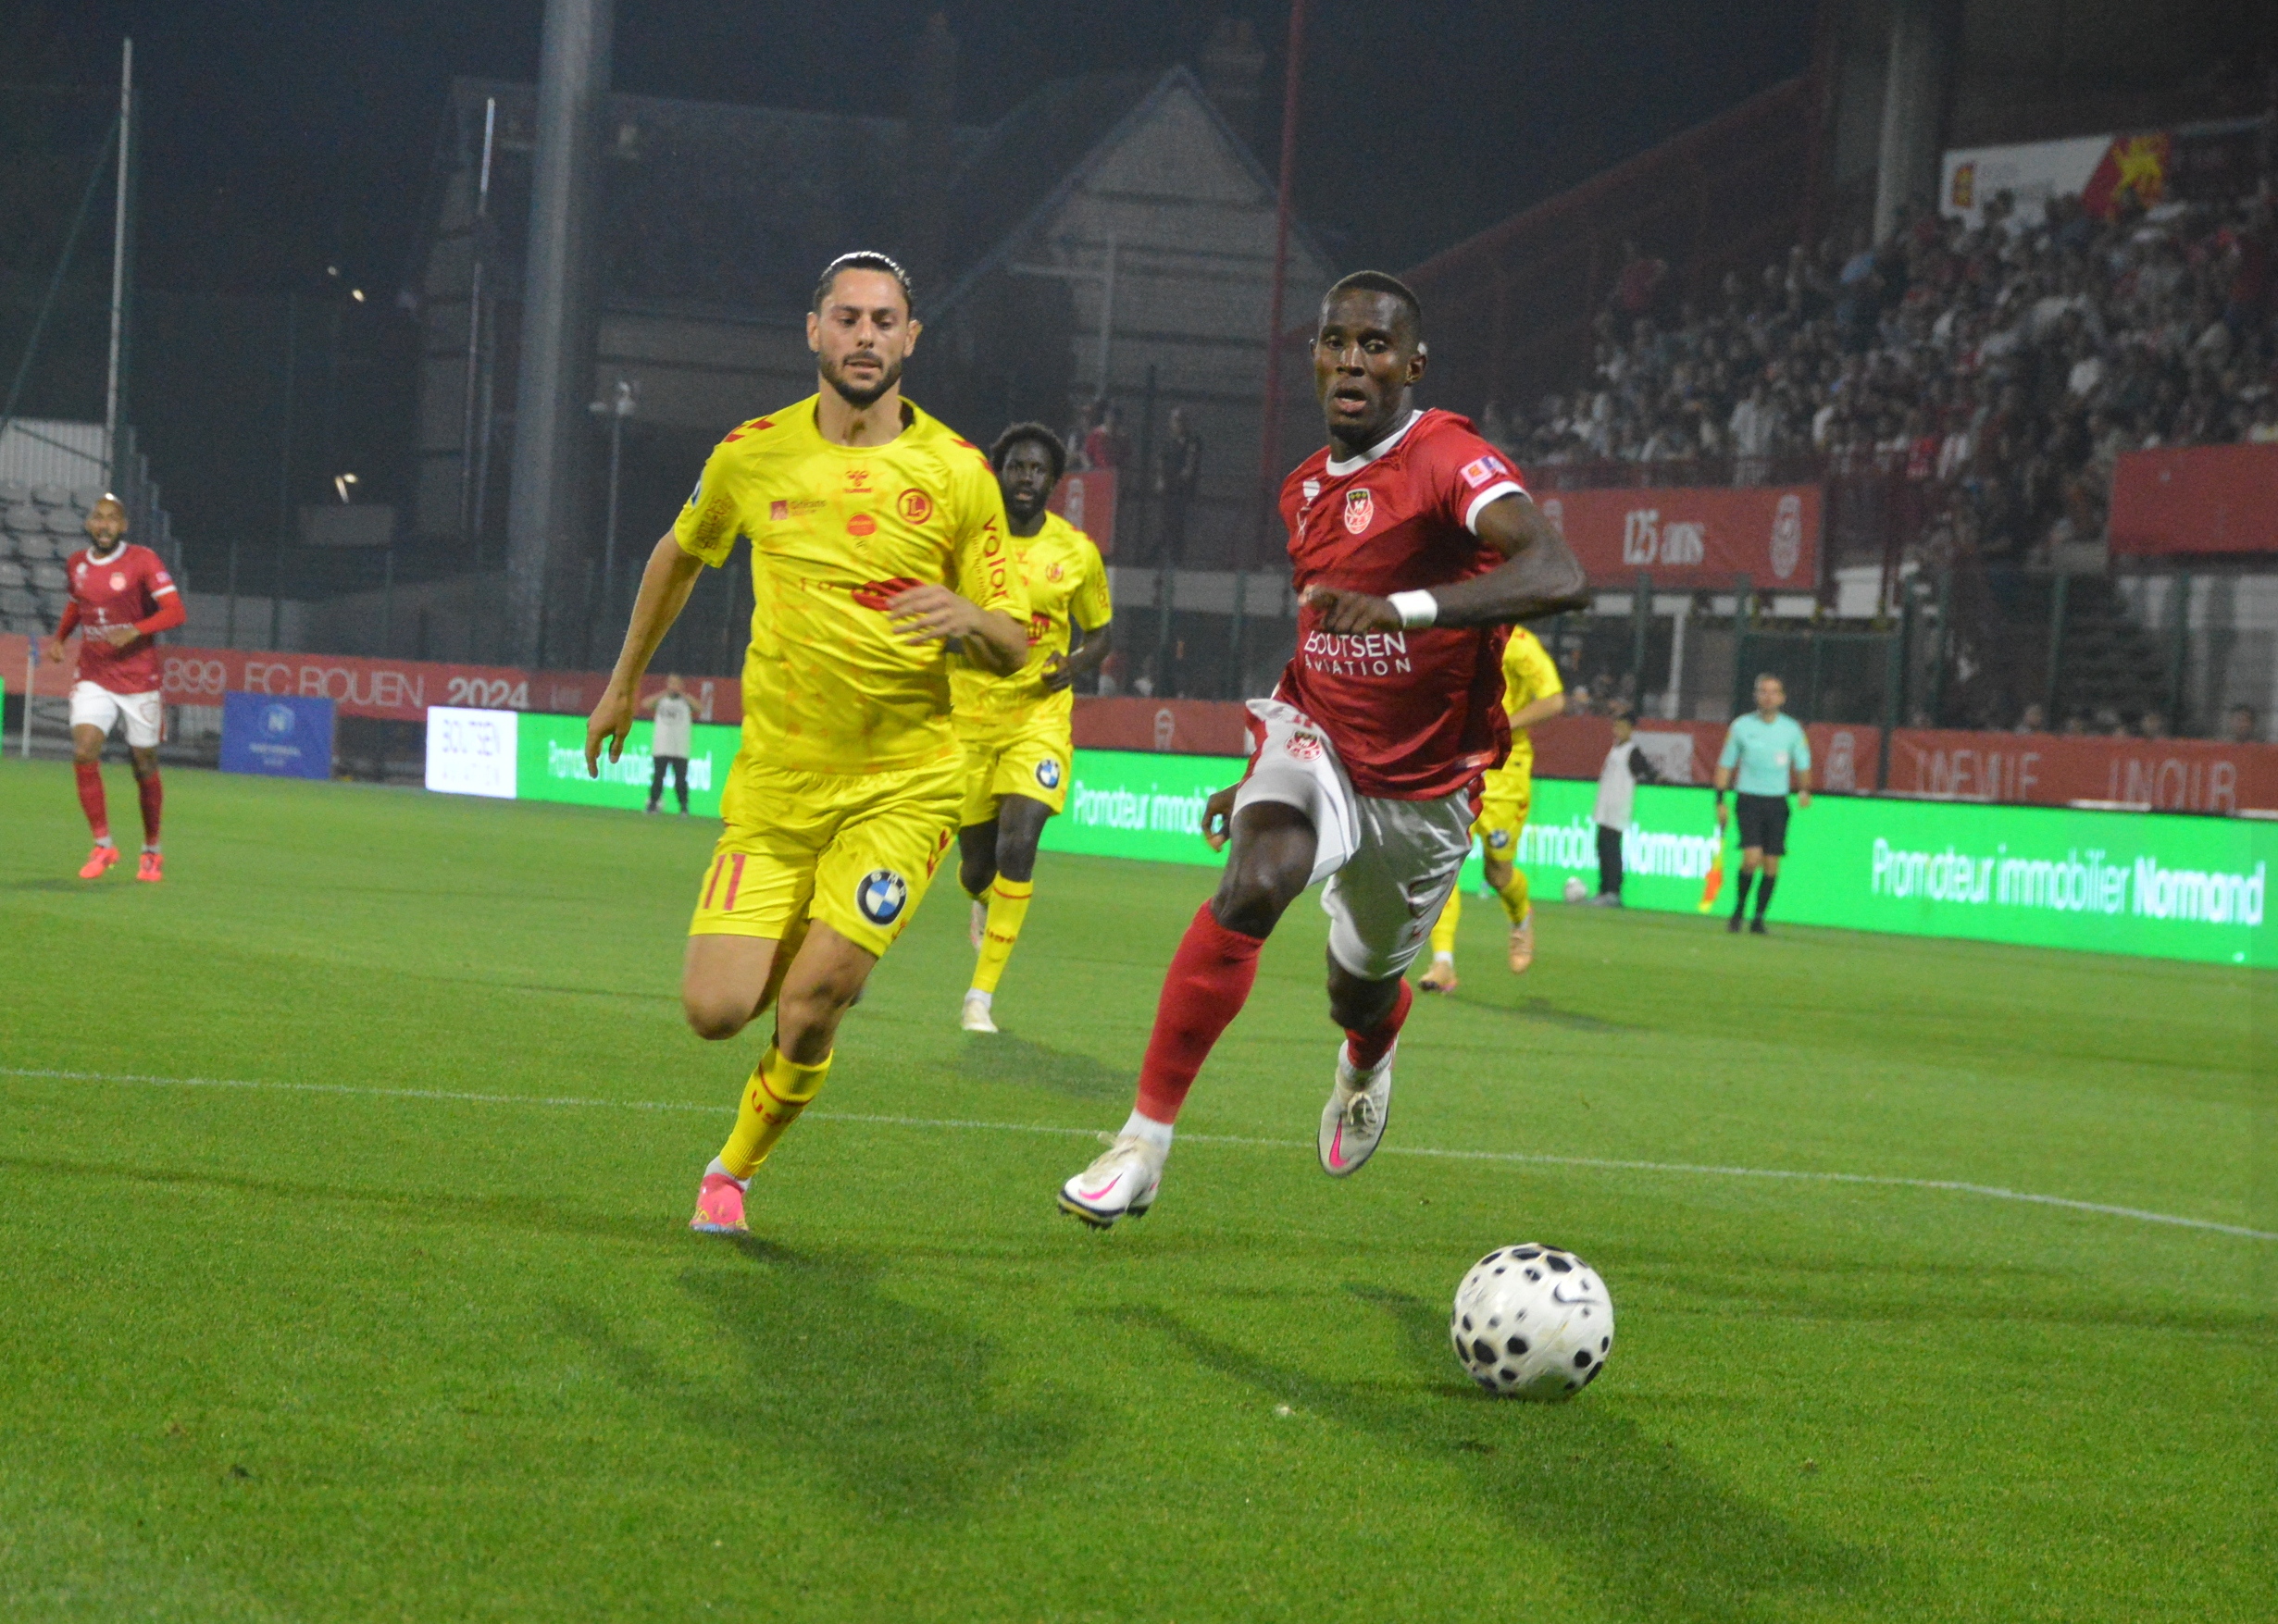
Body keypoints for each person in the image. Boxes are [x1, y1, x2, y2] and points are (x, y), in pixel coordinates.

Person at [1055, 270, 1587, 1227]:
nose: (1351, 361)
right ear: (1312, 359)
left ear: (1412, 365)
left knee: (1359, 989)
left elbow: (1558, 570)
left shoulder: (1446, 457)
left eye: (1374, 345)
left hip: (1423, 787)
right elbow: (1321, 642)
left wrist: (1406, 609)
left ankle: (1367, 1056)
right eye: (1334, 342)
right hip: (1319, 742)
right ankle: (1141, 1143)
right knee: (1255, 879)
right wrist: (1255, 772)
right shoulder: (1302, 490)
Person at [584, 252, 1027, 1236]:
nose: (866, 335)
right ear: (814, 331)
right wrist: (622, 684)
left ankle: (731, 1172)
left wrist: (968, 616)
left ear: (911, 338)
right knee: (715, 1010)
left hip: (905, 786)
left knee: (815, 999)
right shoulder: (750, 455)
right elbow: (678, 555)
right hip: (779, 787)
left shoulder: (958, 474)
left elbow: (1015, 641)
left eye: (884, 320)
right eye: (848, 317)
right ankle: (811, 974)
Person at [952, 423, 1113, 1033]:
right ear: (1000, 472)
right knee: (977, 869)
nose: (1026, 478)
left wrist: (1074, 665)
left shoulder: (1076, 551)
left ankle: (980, 997)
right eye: (1017, 467)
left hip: (1038, 719)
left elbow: (1100, 633)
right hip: (969, 719)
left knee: (1018, 843)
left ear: (1053, 481)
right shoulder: (968, 544)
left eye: (1038, 470)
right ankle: (982, 899)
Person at [42, 494, 184, 882]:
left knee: (144, 764)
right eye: (98, 518)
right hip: (94, 674)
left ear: (123, 526)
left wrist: (135, 630)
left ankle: (152, 850)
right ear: (90, 524)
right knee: (84, 749)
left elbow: (175, 611)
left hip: (138, 678)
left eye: (112, 519)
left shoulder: (143, 560)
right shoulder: (77, 563)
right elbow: (77, 603)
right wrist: (60, 638)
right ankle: (103, 845)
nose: (104, 525)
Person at [1416, 621, 1565, 992]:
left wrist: (1502, 725)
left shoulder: (1519, 643)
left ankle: (1520, 917)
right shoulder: (1454, 635)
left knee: (1498, 872)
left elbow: (1553, 700)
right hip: (1454, 762)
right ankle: (1443, 962)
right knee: (1443, 861)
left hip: (1504, 771)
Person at [1714, 674, 1811, 935]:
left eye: (1773, 692)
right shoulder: (1741, 727)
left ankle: (1758, 919)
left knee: (1771, 864)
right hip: (1749, 799)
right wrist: (1720, 800)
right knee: (1751, 859)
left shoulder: (1792, 730)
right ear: (1755, 695)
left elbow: (1803, 763)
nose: (1768, 697)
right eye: (1763, 691)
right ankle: (1739, 910)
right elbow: (1725, 764)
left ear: (1782, 698)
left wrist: (1804, 789)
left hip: (1777, 802)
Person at [1588, 707, 1662, 904]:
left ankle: (1613, 891)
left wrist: (1658, 778)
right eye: (1616, 727)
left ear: (1630, 729)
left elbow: (1646, 770)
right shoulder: (1615, 749)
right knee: (1602, 847)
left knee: (1612, 849)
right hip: (1605, 809)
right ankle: (1604, 889)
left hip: (1617, 809)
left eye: (1621, 727)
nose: (1617, 731)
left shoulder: (1632, 751)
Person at [639, 674, 695, 814]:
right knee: (658, 778)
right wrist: (663, 693)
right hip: (661, 746)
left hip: (680, 748)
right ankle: (652, 804)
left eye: (676, 683)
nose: (673, 686)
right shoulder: (661, 700)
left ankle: (683, 807)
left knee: (680, 780)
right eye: (671, 683)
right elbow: (645, 704)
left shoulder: (685, 702)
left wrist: (683, 694)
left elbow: (699, 707)